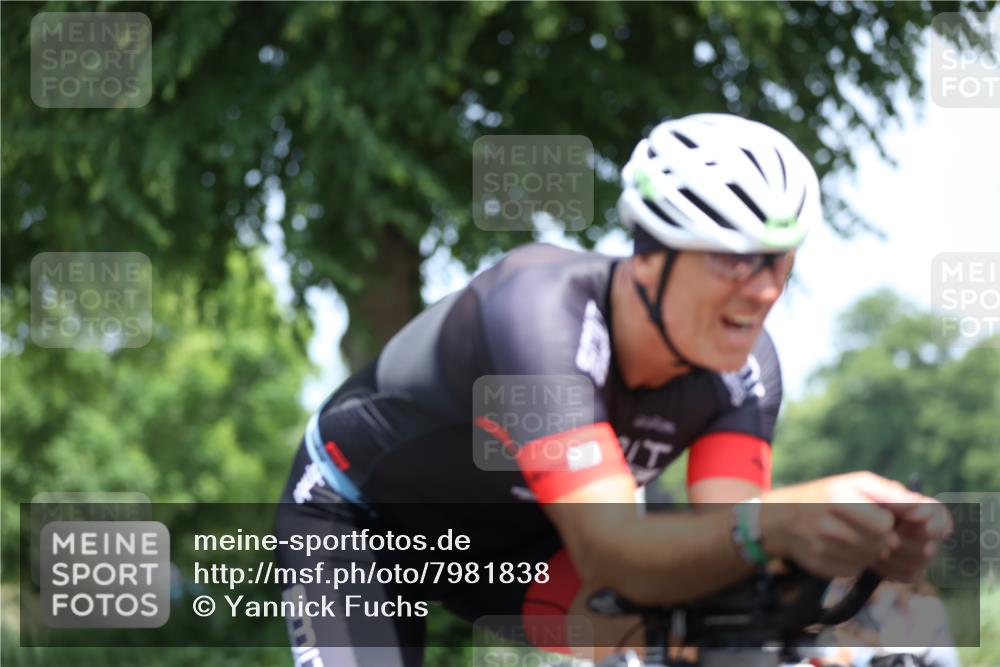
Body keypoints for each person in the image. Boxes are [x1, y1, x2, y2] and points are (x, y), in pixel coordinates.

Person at [275, 113, 951, 667]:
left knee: (713, 632)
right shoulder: (538, 315)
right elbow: (610, 546)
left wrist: (855, 552)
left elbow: (731, 547)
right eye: (734, 259)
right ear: (650, 257)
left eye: (780, 260)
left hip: (529, 543)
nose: (765, 290)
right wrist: (777, 520)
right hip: (362, 520)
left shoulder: (744, 370)